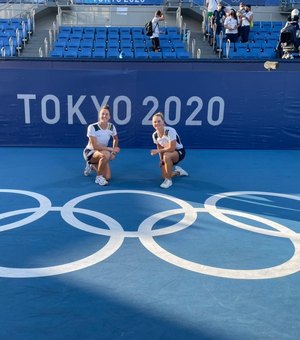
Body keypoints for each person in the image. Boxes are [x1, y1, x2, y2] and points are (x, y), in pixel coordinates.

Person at [83, 104, 120, 186]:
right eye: (102, 114)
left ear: (109, 117)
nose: (104, 116)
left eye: (106, 114)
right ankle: (98, 177)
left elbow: (115, 139)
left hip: (102, 152)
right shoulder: (92, 127)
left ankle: (91, 166)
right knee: (106, 154)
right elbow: (95, 147)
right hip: (90, 152)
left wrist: (113, 153)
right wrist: (111, 150)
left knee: (107, 177)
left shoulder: (111, 127)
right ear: (99, 116)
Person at [150, 112, 188, 189]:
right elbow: (159, 146)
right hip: (166, 154)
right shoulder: (155, 135)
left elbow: (172, 148)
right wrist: (161, 160)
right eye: (155, 122)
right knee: (164, 175)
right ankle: (178, 172)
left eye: (159, 121)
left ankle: (168, 181)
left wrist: (158, 152)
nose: (157, 123)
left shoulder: (170, 131)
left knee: (166, 155)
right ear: (152, 124)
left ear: (163, 122)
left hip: (179, 152)